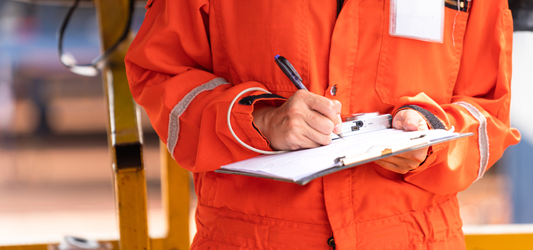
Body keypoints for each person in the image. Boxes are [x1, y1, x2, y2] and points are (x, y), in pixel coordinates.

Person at [125, 0, 521, 249]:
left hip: (416, 237)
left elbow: (489, 111)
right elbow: (159, 73)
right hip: (252, 238)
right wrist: (258, 119)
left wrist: (435, 140)